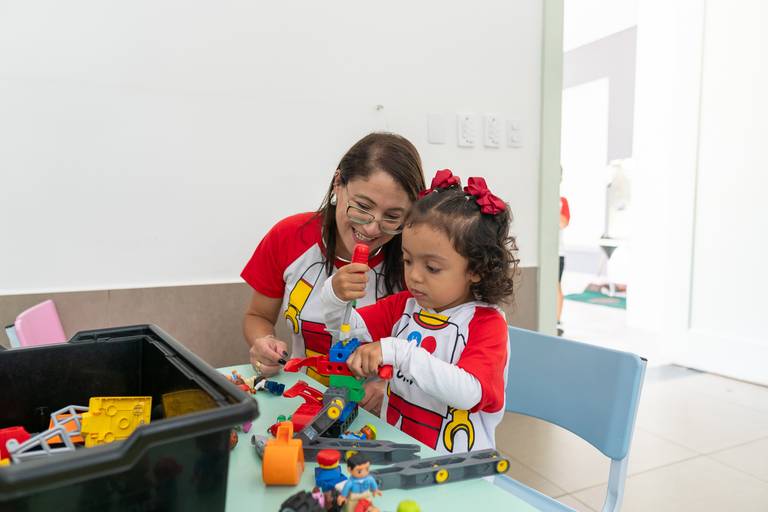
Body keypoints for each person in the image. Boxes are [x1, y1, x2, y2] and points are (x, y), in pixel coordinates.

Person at [321, 170, 517, 454]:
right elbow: (343, 330)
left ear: (476, 270)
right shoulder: (406, 306)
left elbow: (470, 392)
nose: (414, 276)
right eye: (408, 260)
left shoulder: (485, 323)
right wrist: (335, 295)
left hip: (457, 472)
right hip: (400, 455)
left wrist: (399, 352)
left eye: (432, 268)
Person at [241, 133, 424, 415]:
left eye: (392, 217)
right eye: (362, 207)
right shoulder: (289, 237)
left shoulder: (417, 263)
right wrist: (262, 344)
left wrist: (390, 388)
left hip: (382, 415)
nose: (373, 228)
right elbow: (258, 317)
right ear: (338, 184)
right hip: (300, 399)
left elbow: (439, 350)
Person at [557, 195, 570, 336]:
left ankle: (557, 321)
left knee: (557, 285)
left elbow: (563, 223)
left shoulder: (562, 201)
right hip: (546, 253)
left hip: (558, 253)